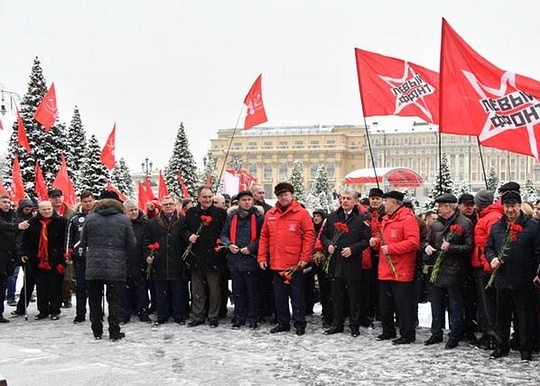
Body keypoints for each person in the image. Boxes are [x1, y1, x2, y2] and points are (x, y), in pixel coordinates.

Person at [487, 189, 540, 361]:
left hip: (524, 279)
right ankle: (501, 346)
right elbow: (489, 248)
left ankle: (526, 348)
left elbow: (538, 252)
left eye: (513, 206)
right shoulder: (497, 227)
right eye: (507, 206)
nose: (510, 210)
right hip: (502, 279)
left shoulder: (532, 226)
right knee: (501, 316)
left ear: (519, 206)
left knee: (525, 317)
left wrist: (537, 272)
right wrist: (492, 258)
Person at [257, 182, 315, 336]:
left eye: (286, 195)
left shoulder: (301, 213)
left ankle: (299, 323)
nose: (283, 197)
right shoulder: (271, 214)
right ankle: (283, 322)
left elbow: (309, 236)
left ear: (292, 196)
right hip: (276, 262)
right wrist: (262, 256)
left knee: (297, 296)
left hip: (295, 263)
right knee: (279, 296)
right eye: (281, 195)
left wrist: (305, 257)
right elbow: (264, 236)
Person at [81, 197, 136, 341]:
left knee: (94, 299)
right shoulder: (124, 220)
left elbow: (84, 240)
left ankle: (97, 330)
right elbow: (131, 243)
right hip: (116, 265)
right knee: (115, 300)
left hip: (94, 265)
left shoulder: (90, 218)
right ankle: (114, 331)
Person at [423, 193, 473, 349]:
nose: (438, 209)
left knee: (455, 305)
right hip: (436, 270)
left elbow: (469, 247)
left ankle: (454, 335)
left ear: (449, 207)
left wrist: (451, 248)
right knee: (436, 304)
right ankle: (436, 332)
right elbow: (426, 240)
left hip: (455, 271)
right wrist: (426, 247)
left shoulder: (465, 223)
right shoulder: (436, 224)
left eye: (440, 206)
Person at [370, 191, 420, 344]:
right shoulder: (386, 219)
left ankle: (407, 334)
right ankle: (388, 330)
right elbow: (384, 238)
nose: (384, 204)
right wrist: (376, 242)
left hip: (401, 269)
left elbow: (413, 243)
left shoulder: (408, 219)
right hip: (385, 269)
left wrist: (391, 248)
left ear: (395, 203)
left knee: (403, 305)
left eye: (386, 201)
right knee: (385, 304)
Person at [321, 188, 370, 337]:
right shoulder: (332, 217)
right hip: (335, 261)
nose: (345, 201)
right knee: (336, 295)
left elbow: (366, 240)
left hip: (352, 262)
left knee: (353, 296)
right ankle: (337, 324)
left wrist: (353, 249)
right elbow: (323, 235)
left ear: (356, 201)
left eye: (349, 198)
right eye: (343, 198)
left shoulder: (362, 218)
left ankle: (354, 325)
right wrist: (328, 244)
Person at [183, 186, 227, 328]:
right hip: (196, 256)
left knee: (214, 289)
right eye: (204, 197)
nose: (207, 199)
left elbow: (225, 231)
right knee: (197, 290)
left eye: (210, 197)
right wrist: (188, 236)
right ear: (198, 198)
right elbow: (183, 229)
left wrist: (222, 242)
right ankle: (198, 315)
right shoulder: (190, 213)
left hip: (214, 256)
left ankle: (213, 316)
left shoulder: (220, 213)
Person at [220, 190, 264, 329]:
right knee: (237, 292)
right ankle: (239, 317)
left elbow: (262, 237)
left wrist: (251, 247)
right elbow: (223, 234)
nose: (247, 202)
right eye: (244, 200)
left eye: (249, 200)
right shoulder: (232, 216)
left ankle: (253, 317)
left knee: (252, 292)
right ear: (238, 202)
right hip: (235, 260)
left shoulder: (258, 217)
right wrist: (228, 245)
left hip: (251, 260)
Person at [144, 195, 189, 325]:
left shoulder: (183, 220)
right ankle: (162, 315)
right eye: (165, 204)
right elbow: (146, 241)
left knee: (178, 290)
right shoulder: (152, 222)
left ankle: (178, 315)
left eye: (170, 204)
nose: (168, 206)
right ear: (161, 207)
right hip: (159, 261)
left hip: (177, 260)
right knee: (161, 290)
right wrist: (148, 254)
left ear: (175, 205)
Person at [20, 201, 68, 321]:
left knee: (55, 286)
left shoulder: (62, 222)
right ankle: (43, 310)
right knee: (41, 286)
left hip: (55, 258)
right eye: (44, 210)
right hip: (37, 259)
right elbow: (26, 241)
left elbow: (65, 240)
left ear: (52, 209)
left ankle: (55, 310)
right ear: (39, 211)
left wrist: (64, 256)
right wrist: (24, 253)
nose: (46, 212)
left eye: (48, 209)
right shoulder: (32, 223)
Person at [470, 190, 502, 350]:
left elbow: (493, 243)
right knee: (485, 304)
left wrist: (487, 264)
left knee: (488, 305)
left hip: (486, 267)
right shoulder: (485, 216)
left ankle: (492, 337)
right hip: (481, 264)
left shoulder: (492, 217)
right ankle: (487, 334)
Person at [65, 191, 95, 324]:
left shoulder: (99, 215)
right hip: (80, 256)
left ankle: (96, 313)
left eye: (90, 201)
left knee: (95, 286)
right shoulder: (75, 218)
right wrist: (68, 253)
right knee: (81, 286)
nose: (88, 204)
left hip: (96, 257)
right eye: (85, 201)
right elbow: (68, 237)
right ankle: (80, 313)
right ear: (81, 202)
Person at [0, 195, 30, 322]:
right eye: (3, 202)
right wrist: (16, 226)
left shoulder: (13, 215)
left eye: (8, 202)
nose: (6, 204)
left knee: (2, 285)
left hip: (9, 256)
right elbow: (4, 225)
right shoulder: (11, 221)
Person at [122, 200, 151, 323]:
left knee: (142, 289)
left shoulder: (144, 223)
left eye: (135, 209)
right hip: (125, 261)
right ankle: (125, 313)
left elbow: (146, 241)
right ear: (125, 212)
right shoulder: (122, 224)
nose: (134, 212)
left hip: (140, 261)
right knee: (125, 290)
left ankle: (142, 312)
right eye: (131, 210)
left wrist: (147, 256)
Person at [49, 188, 75, 309]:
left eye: (59, 196)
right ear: (50, 199)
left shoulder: (70, 212)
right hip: (52, 247)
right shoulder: (47, 211)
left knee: (67, 274)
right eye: (54, 197)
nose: (57, 199)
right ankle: (54, 298)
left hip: (67, 245)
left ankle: (66, 297)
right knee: (53, 274)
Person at [458, 193, 479, 343]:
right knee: (458, 300)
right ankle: (458, 328)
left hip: (473, 265)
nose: (470, 208)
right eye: (466, 205)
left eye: (472, 205)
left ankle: (471, 328)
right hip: (459, 265)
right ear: (459, 205)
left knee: (471, 301)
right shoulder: (457, 221)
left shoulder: (477, 220)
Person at [5, 198, 33, 307]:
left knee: (29, 275)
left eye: (30, 208)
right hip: (14, 249)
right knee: (13, 275)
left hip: (27, 250)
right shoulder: (14, 217)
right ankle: (11, 296)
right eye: (26, 209)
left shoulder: (33, 218)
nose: (28, 210)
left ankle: (26, 296)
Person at [311, 209, 331, 327]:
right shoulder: (311, 228)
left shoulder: (326, 228)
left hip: (326, 262)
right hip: (315, 262)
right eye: (314, 216)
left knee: (328, 290)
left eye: (318, 216)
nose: (316, 218)